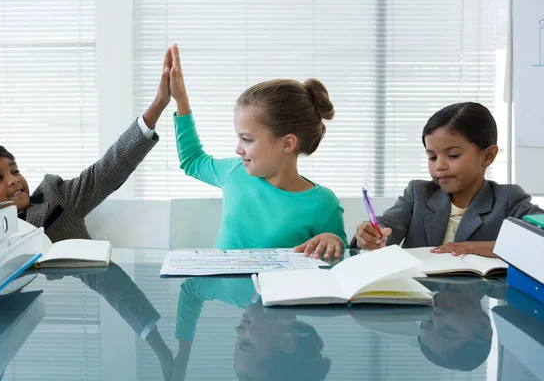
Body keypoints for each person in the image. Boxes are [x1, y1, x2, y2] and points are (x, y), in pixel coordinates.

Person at [0, 48, 174, 243]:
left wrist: (158, 105)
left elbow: (109, 169)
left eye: (15, 170)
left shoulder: (56, 198)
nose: (14, 179)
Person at [167, 44, 347, 259]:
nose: (238, 148)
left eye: (247, 139)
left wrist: (333, 241)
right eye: (239, 138)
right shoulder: (234, 172)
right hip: (222, 290)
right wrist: (181, 100)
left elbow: (338, 265)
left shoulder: (323, 204)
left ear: (287, 143)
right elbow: (193, 160)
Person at [346, 102, 543, 257]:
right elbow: (389, 224)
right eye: (432, 157)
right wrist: (370, 235)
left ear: (488, 156)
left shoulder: (508, 199)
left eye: (453, 155)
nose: (439, 165)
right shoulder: (418, 193)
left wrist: (473, 247)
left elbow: (539, 241)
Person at [173, 278, 331, 381]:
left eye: (238, 340)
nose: (237, 330)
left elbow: (190, 291)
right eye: (246, 342)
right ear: (287, 342)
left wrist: (182, 354)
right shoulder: (324, 291)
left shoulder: (236, 292)